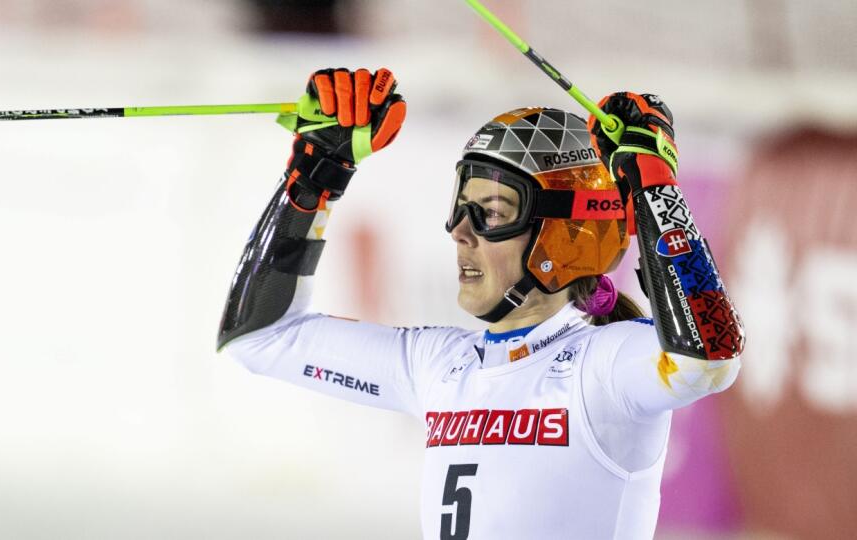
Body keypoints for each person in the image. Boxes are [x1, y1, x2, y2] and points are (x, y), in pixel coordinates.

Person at [217, 68, 745, 539]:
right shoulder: (437, 365)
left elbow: (710, 355)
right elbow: (258, 335)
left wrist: (653, 184)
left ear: (564, 237)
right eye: (459, 208)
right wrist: (317, 174)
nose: (461, 233)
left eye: (491, 212)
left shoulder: (603, 365)